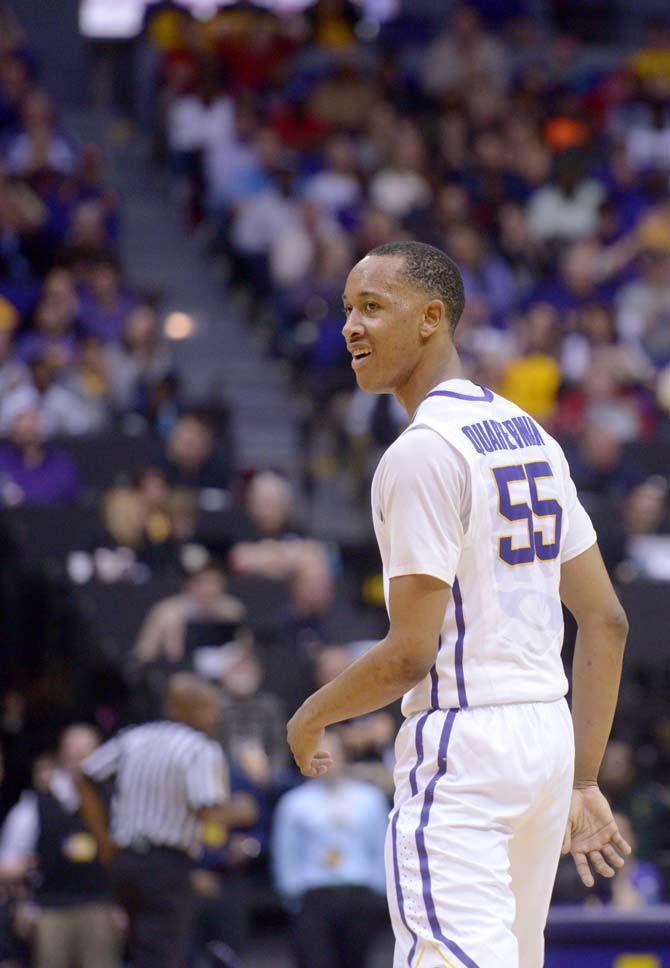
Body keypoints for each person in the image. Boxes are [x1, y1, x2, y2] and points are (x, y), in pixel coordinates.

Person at [287, 240, 631, 968]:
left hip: (464, 747)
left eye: (372, 308)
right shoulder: (531, 435)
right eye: (347, 309)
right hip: (546, 741)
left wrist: (312, 713)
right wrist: (586, 777)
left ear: (431, 318)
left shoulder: (421, 453)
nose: (350, 326)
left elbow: (410, 654)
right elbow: (605, 619)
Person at [77, 673, 230, 968]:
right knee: (165, 956)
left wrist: (103, 840)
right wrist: (241, 810)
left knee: (138, 953)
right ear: (180, 708)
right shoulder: (200, 748)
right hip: (167, 864)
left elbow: (85, 776)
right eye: (207, 708)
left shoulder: (134, 737)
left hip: (125, 862)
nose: (213, 717)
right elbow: (208, 810)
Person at [0, 725, 123, 968]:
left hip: (98, 906)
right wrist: (25, 899)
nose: (80, 760)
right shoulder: (36, 803)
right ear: (62, 753)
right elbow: (8, 860)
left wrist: (122, 905)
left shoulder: (112, 802)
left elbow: (124, 858)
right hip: (50, 908)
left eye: (87, 753)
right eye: (74, 752)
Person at [273, 729, 388, 968]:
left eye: (332, 753)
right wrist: (294, 897)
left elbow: (381, 847)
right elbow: (286, 854)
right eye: (319, 754)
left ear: (345, 755)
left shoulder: (370, 799)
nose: (326, 761)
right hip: (314, 896)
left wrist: (378, 891)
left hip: (359, 893)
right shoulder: (294, 803)